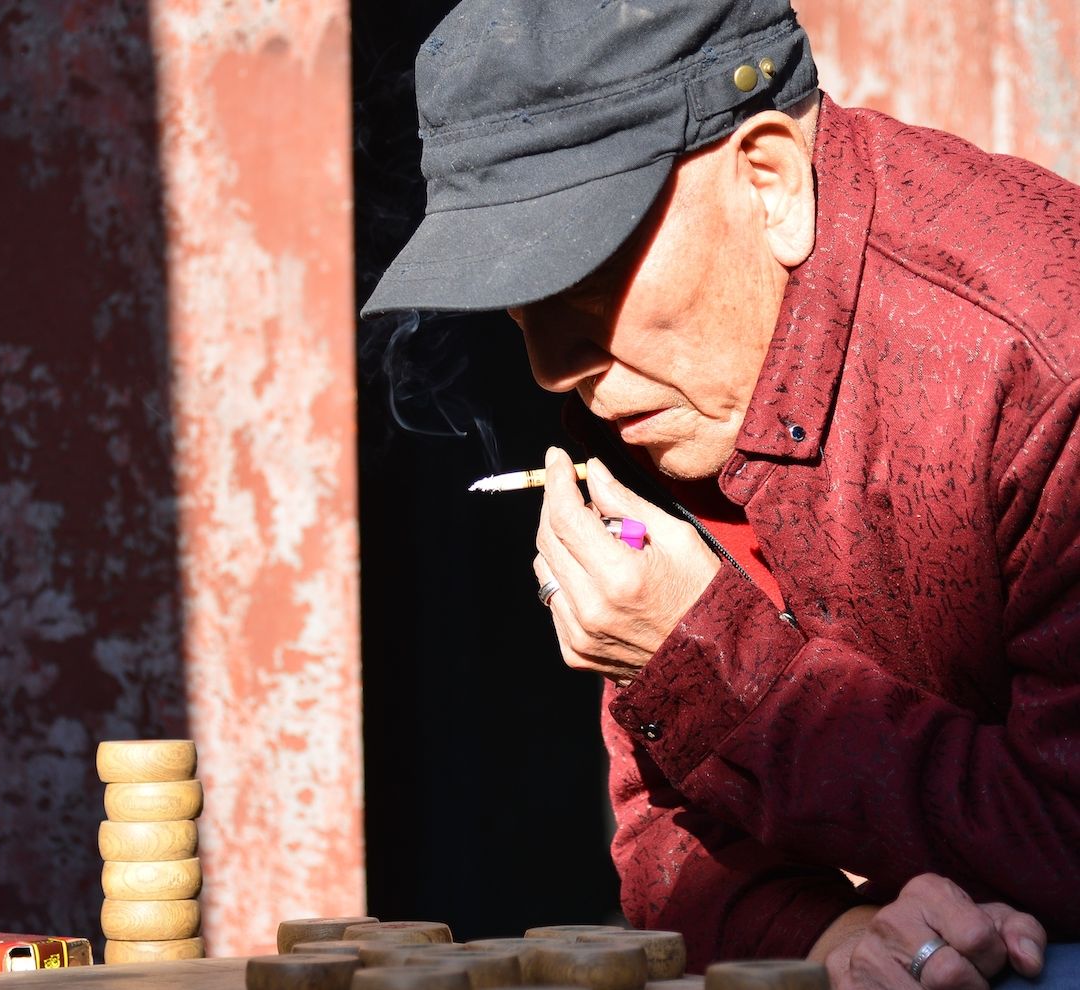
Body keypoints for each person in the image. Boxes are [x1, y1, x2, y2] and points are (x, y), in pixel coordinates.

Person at [360, 1, 1080, 987]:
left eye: (582, 279)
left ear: (769, 179)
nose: (554, 369)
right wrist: (834, 939)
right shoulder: (663, 386)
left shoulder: (1040, 363)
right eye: (522, 308)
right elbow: (669, 844)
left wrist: (706, 661)